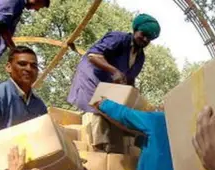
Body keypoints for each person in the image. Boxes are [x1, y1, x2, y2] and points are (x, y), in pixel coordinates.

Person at [68, 14, 160, 152]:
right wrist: (113, 70)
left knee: (117, 114)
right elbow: (93, 56)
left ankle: (114, 150)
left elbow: (130, 78)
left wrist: (133, 98)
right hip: (92, 77)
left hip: (109, 87)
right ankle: (99, 149)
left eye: (149, 38)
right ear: (135, 30)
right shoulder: (118, 38)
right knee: (98, 109)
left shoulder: (140, 56)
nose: (145, 39)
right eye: (143, 34)